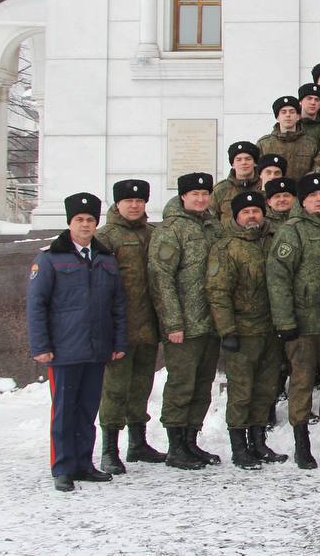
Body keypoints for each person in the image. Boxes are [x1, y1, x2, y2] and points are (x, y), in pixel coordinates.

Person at [27, 193, 127, 492]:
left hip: (96, 348)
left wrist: (117, 341)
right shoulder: (50, 258)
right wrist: (40, 346)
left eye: (90, 220)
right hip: (64, 349)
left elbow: (117, 304)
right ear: (70, 223)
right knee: (64, 411)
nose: (85, 225)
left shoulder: (105, 258)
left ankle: (84, 463)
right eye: (80, 220)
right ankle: (62, 467)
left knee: (87, 410)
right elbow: (36, 304)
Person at [266, 173, 320, 468]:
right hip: (303, 323)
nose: (319, 199)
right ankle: (301, 442)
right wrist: (284, 320)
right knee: (301, 383)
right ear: (302, 200)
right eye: (313, 195)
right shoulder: (292, 231)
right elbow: (278, 277)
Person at [206, 190, 288, 468]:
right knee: (241, 392)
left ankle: (259, 442)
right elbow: (218, 292)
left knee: (265, 390)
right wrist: (226, 331)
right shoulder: (227, 247)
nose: (252, 216)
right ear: (236, 216)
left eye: (256, 211)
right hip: (242, 332)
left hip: (270, 328)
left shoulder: (273, 240)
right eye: (246, 212)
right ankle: (239, 447)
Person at [148, 172, 224, 469]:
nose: (201, 198)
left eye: (205, 194)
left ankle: (191, 442)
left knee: (202, 385)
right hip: (184, 326)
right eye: (195, 194)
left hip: (210, 323)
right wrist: (173, 324)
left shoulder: (213, 227)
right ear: (183, 197)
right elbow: (161, 279)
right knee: (181, 384)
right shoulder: (171, 230)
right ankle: (175, 446)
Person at [95, 179, 164, 474]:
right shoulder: (105, 237)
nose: (134, 205)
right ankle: (109, 449)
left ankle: (138, 443)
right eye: (128, 201)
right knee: (114, 390)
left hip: (148, 326)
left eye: (139, 201)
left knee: (141, 387)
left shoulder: (153, 234)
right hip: (119, 328)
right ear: (117, 204)